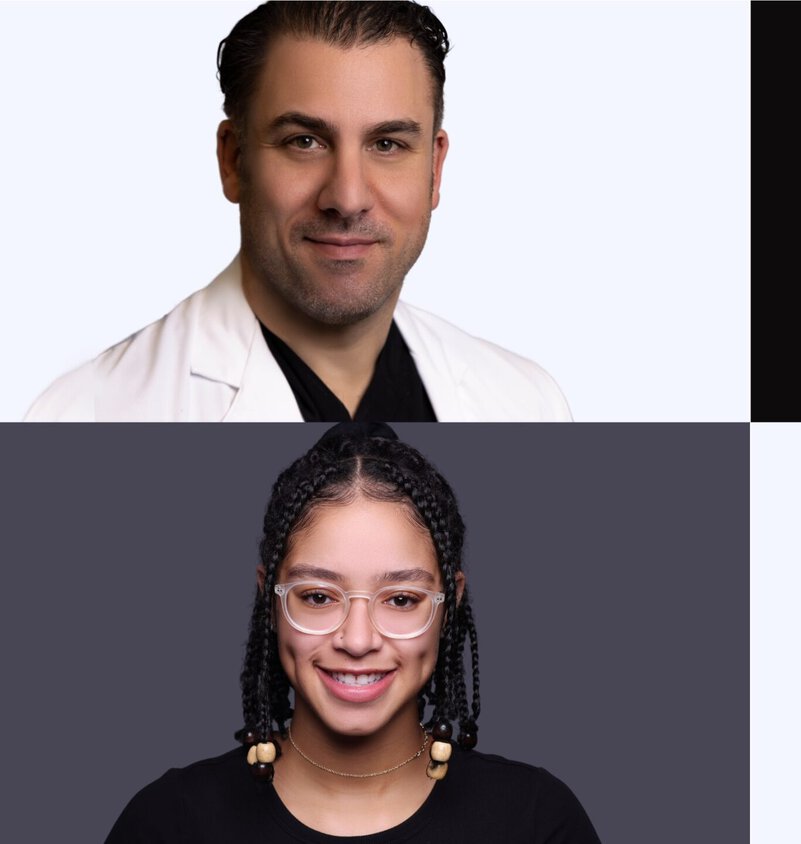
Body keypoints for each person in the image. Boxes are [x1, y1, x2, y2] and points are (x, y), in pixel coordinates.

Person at [25, 1, 570, 422]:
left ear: (435, 169)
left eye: (387, 145)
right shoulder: (88, 416)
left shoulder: (526, 404)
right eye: (305, 141)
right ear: (233, 161)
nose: (348, 197)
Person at [104, 422, 600, 842]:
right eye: (318, 597)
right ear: (269, 598)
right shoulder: (169, 824)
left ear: (451, 604)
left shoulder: (535, 824)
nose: (358, 640)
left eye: (402, 600)